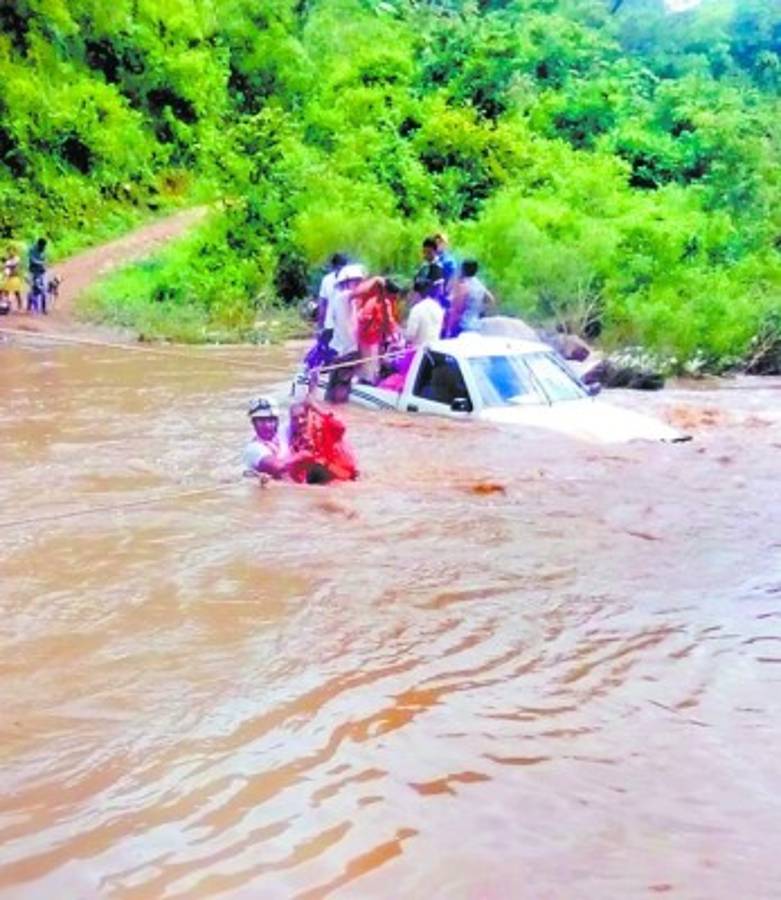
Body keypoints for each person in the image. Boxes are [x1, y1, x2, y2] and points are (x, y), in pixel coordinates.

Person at [323, 263, 365, 402]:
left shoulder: (344, 299)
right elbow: (360, 292)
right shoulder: (344, 296)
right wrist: (377, 281)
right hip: (346, 352)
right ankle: (340, 412)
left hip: (343, 351)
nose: (359, 285)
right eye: (357, 281)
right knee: (341, 386)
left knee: (336, 385)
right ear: (346, 282)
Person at [352, 276, 401, 384]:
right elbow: (388, 322)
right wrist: (395, 337)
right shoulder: (379, 302)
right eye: (394, 295)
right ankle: (366, 385)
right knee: (369, 367)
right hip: (369, 338)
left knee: (370, 365)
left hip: (370, 338)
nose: (395, 298)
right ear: (388, 293)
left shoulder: (378, 301)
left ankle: (367, 381)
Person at [448, 259, 495, 336]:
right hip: (476, 324)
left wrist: (450, 326)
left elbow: (457, 308)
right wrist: (480, 309)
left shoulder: (463, 285)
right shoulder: (479, 284)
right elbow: (491, 299)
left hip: (462, 325)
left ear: (463, 270)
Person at [405, 277, 445, 347]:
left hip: (418, 352)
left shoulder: (417, 309)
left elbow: (410, 335)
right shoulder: (438, 307)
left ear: (416, 293)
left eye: (411, 293)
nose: (409, 296)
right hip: (434, 349)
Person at [316, 252, 348, 330]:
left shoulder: (351, 280)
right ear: (333, 267)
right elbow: (322, 304)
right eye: (339, 268)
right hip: (332, 325)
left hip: (345, 327)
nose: (341, 271)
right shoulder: (327, 280)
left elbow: (322, 304)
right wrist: (320, 325)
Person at [27, 238, 47, 314]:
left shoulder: (44, 249)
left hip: (41, 272)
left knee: (43, 290)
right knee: (33, 290)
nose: (43, 248)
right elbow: (32, 260)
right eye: (41, 246)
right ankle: (29, 306)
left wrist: (42, 264)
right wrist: (41, 263)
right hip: (32, 272)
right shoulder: (32, 249)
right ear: (38, 244)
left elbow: (44, 259)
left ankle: (43, 308)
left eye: (44, 246)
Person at [1, 247, 23, 312]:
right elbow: (5, 269)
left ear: (14, 251)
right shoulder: (8, 260)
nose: (10, 253)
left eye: (11, 251)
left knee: (17, 292)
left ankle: (20, 306)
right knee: (6, 292)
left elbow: (13, 264)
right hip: (9, 277)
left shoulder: (17, 258)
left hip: (15, 277)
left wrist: (6, 265)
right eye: (9, 251)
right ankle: (7, 306)